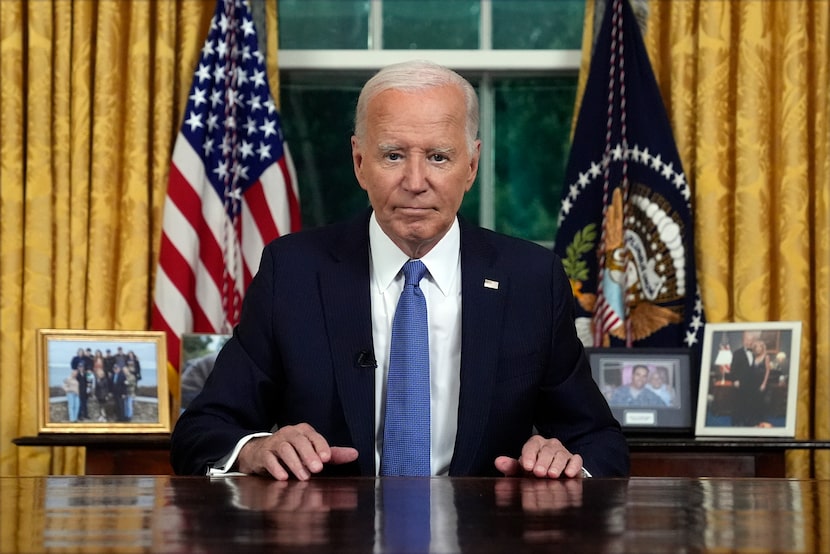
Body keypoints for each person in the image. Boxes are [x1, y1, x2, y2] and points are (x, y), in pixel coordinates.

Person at [170, 59, 629, 480]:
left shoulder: (532, 278)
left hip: (486, 536)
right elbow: (204, 430)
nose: (414, 182)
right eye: (393, 155)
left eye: (438, 157)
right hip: (328, 535)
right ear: (359, 162)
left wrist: (566, 464)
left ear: (470, 166)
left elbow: (599, 442)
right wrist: (255, 449)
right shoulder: (293, 272)